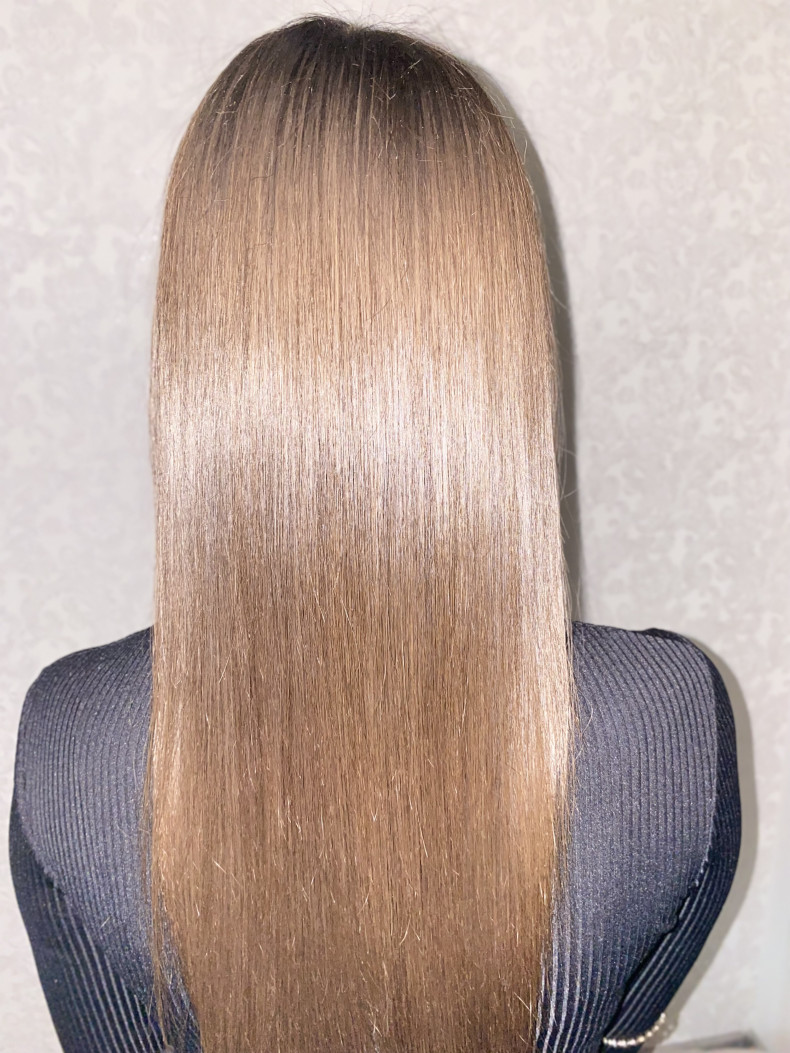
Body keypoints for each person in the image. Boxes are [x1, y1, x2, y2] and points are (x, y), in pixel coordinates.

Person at [9, 14, 740, 1053]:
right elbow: (621, 1021)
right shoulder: (667, 725)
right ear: (501, 329)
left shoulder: (73, 745)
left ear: (199, 332)